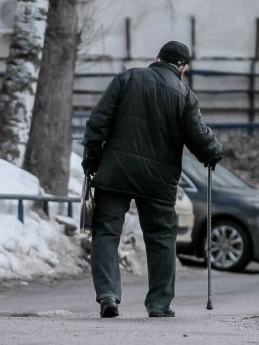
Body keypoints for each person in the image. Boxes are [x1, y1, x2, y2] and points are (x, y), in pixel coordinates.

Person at [81, 41, 223, 318]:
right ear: (182, 67)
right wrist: (214, 152)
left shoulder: (127, 78)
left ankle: (108, 295)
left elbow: (97, 122)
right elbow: (199, 137)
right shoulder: (184, 94)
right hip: (157, 181)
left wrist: (92, 160)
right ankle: (158, 303)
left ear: (157, 58)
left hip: (115, 173)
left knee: (107, 233)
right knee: (161, 238)